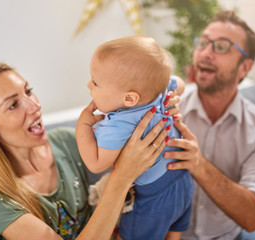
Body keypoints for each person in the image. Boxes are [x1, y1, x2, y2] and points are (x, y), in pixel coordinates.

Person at [0, 61, 173, 240]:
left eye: (29, 91)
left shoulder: (67, 141)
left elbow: (131, 138)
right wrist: (120, 179)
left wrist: (161, 109)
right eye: (13, 104)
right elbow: (124, 170)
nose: (35, 106)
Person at [164, 10, 255, 240]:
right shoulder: (169, 108)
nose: (206, 53)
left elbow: (253, 218)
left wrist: (199, 164)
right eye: (203, 43)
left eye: (221, 46)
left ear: (245, 67)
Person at [75, 36, 193, 240]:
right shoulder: (158, 92)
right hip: (183, 181)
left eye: (95, 82)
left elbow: (96, 164)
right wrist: (173, 94)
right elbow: (180, 84)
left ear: (129, 98)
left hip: (153, 198)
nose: (88, 85)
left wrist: (82, 126)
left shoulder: (120, 125)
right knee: (173, 231)